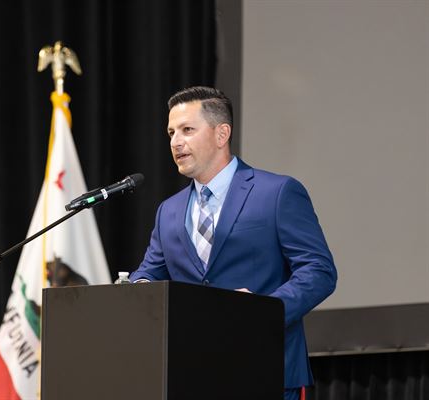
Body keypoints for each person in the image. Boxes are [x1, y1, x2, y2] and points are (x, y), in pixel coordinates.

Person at [130, 86, 337, 399]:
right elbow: (149, 272)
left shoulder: (276, 192)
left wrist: (263, 312)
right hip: (192, 375)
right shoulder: (168, 211)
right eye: (171, 132)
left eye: (187, 130)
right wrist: (139, 287)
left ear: (221, 134)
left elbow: (319, 271)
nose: (175, 142)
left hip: (267, 370)